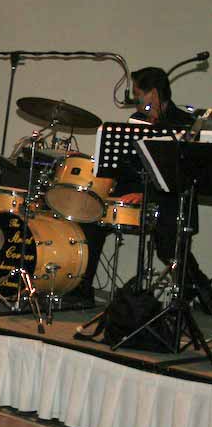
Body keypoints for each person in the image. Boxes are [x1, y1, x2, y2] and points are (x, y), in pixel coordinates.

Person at [75, 67, 212, 312]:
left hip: (169, 197)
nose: (135, 99)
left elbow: (183, 176)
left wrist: (146, 193)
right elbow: (127, 166)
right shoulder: (136, 122)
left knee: (169, 246)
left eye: (138, 94)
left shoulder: (185, 124)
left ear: (154, 94)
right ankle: (82, 291)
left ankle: (199, 289)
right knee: (91, 219)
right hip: (136, 190)